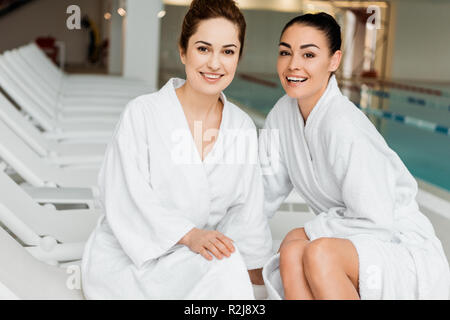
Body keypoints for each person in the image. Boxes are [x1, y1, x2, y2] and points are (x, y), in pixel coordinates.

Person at [81, 0, 273, 299]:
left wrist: (258, 274)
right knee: (223, 274)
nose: (215, 63)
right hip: (132, 258)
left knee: (237, 273)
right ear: (183, 50)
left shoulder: (242, 127)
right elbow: (122, 195)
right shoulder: (143, 113)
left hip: (194, 260)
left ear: (238, 57)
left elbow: (247, 213)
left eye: (228, 51)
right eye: (203, 48)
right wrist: (188, 235)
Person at [260, 12, 450, 300]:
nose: (293, 64)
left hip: (397, 244)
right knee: (292, 252)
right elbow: (262, 191)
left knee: (318, 252)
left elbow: (376, 219)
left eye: (308, 54)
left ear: (334, 61)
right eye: (285, 53)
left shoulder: (344, 124)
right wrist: (223, 235)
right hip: (352, 240)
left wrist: (307, 230)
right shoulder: (282, 114)